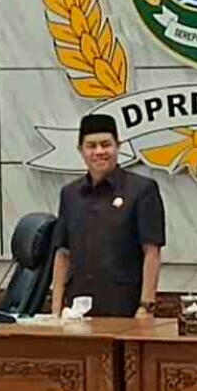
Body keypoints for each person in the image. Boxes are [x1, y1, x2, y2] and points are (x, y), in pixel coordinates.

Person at [51, 114, 166, 317]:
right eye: (91, 146)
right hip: (76, 311)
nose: (99, 152)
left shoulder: (142, 190)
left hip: (125, 310)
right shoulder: (70, 194)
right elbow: (63, 254)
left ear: (118, 146)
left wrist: (146, 306)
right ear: (81, 150)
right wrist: (55, 310)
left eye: (106, 145)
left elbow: (152, 252)